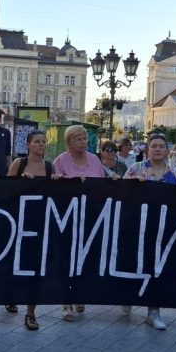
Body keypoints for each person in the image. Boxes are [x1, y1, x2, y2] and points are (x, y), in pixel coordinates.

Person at [121, 133, 176, 330]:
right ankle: (127, 295)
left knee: (158, 269)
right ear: (147, 149)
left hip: (163, 231)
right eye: (154, 146)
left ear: (167, 150)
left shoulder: (173, 174)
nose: (157, 149)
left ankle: (153, 311)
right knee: (134, 263)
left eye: (161, 146)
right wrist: (131, 184)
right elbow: (118, 193)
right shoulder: (135, 169)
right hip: (138, 227)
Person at [51, 124, 106, 320]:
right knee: (68, 259)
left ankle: (80, 293)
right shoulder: (60, 161)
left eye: (84, 138)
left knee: (86, 258)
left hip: (91, 218)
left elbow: (103, 185)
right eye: (78, 139)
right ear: (68, 142)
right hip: (68, 219)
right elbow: (56, 191)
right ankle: (67, 302)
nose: (83, 142)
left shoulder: (94, 160)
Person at [5, 130, 52, 330]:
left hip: (40, 223)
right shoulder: (19, 164)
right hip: (19, 221)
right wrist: (19, 182)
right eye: (37, 142)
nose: (41, 145)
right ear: (28, 145)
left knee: (35, 267)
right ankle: (10, 295)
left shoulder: (50, 167)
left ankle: (31, 313)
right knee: (15, 262)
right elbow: (5, 189)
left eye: (43, 142)